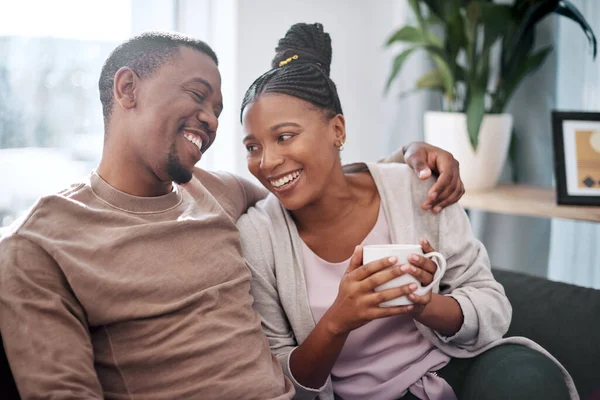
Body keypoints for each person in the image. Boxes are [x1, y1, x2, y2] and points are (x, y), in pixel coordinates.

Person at [0, 32, 464, 399]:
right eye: (198, 96)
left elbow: (313, 182)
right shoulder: (39, 246)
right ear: (127, 89)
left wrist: (407, 159)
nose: (211, 120)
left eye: (217, 110)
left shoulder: (214, 191)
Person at [237, 23, 575, 400]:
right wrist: (337, 321)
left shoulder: (414, 187)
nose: (267, 162)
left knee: (527, 381)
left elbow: (491, 304)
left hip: (452, 368)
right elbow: (282, 379)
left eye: (284, 136)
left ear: (337, 130)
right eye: (252, 147)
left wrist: (426, 304)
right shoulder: (257, 235)